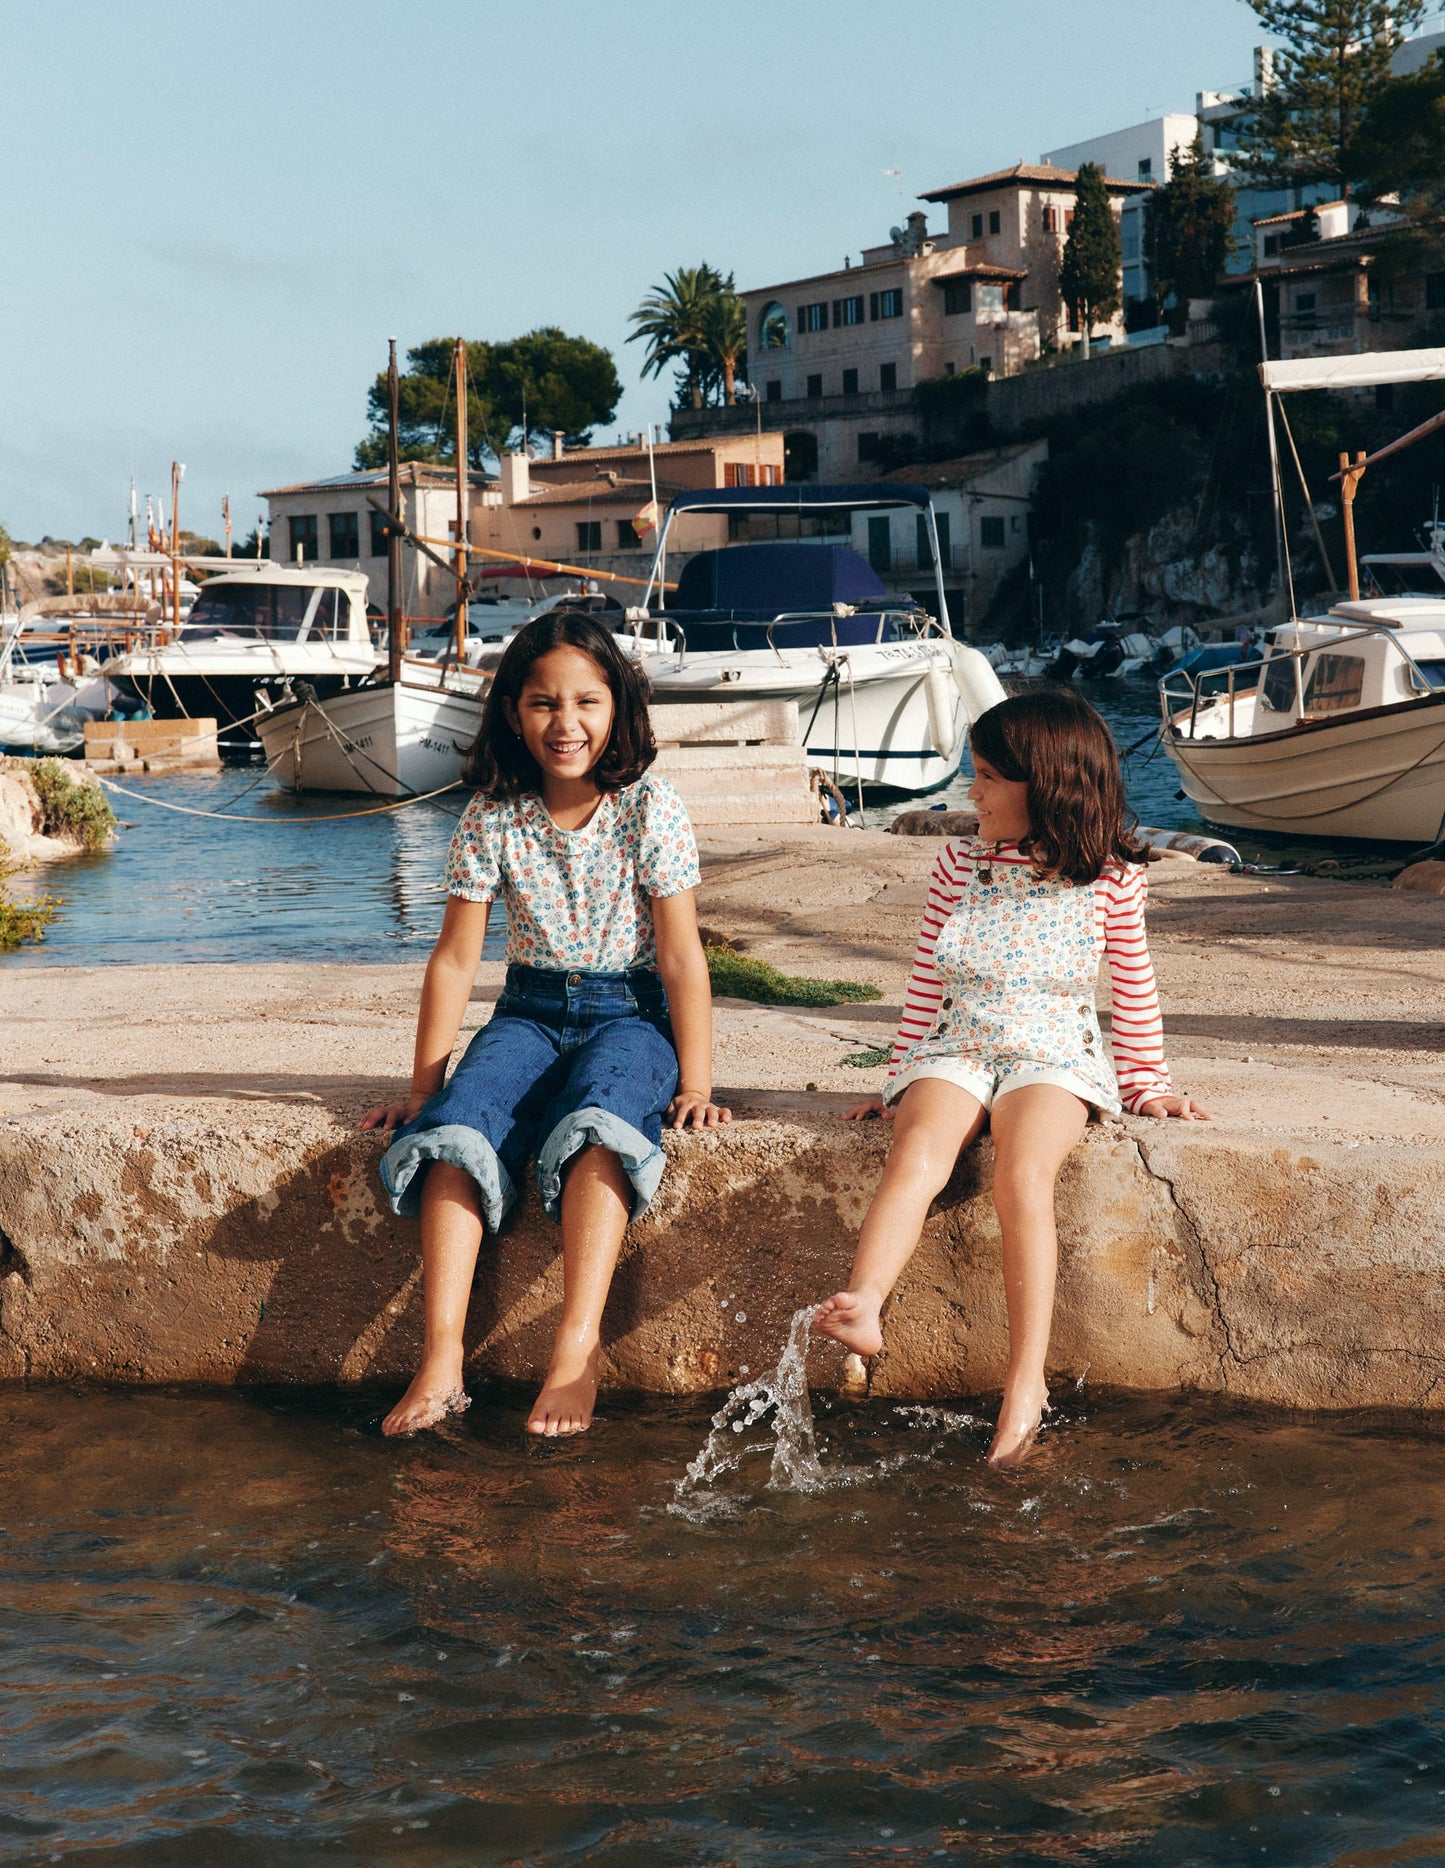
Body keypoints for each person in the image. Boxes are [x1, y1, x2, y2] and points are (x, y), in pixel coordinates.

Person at [815, 689, 1210, 1469]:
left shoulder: (1109, 880)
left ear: (1049, 784)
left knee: (1022, 1177)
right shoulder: (957, 863)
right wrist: (898, 1077)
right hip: (956, 1044)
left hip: (1052, 1055)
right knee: (919, 1149)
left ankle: (1023, 1380)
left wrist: (1147, 1083)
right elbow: (926, 983)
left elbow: (1132, 988)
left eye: (990, 777)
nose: (974, 792)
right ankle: (863, 1302)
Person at [360, 611, 728, 1439]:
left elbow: (679, 959)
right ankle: (442, 1357)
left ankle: (575, 1348)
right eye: (542, 704)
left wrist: (697, 1082)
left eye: (586, 702)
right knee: (455, 1133)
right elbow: (456, 961)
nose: (565, 725)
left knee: (600, 1125)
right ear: (511, 714)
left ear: (618, 709)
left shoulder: (649, 808)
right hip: (526, 1011)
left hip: (630, 1015)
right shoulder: (492, 815)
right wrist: (424, 1087)